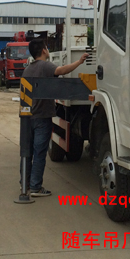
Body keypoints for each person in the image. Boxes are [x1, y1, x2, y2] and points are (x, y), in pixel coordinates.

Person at [21, 39, 88, 197]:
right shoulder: (45, 66)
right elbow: (62, 70)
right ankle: (36, 187)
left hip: (27, 117)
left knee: (28, 152)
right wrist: (79, 62)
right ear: (44, 50)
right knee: (39, 153)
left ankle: (25, 184)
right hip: (42, 117)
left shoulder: (27, 69)